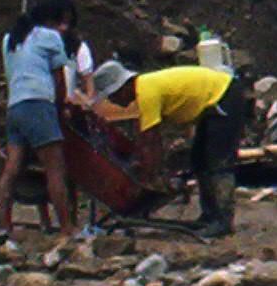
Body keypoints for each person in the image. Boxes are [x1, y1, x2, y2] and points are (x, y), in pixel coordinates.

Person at [91, 59, 250, 237]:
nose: (113, 101)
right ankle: (210, 215)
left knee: (217, 161)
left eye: (113, 96)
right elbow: (146, 138)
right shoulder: (146, 87)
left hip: (223, 95)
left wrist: (152, 176)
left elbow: (152, 140)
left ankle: (222, 221)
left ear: (123, 87)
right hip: (215, 99)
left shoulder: (146, 92)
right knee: (199, 159)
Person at [0, 0, 75, 246]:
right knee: (55, 168)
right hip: (39, 103)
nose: (64, 28)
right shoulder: (49, 38)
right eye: (61, 22)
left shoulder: (10, 39)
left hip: (15, 106)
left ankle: (4, 227)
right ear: (51, 20)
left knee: (12, 168)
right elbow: (59, 79)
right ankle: (66, 229)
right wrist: (61, 110)